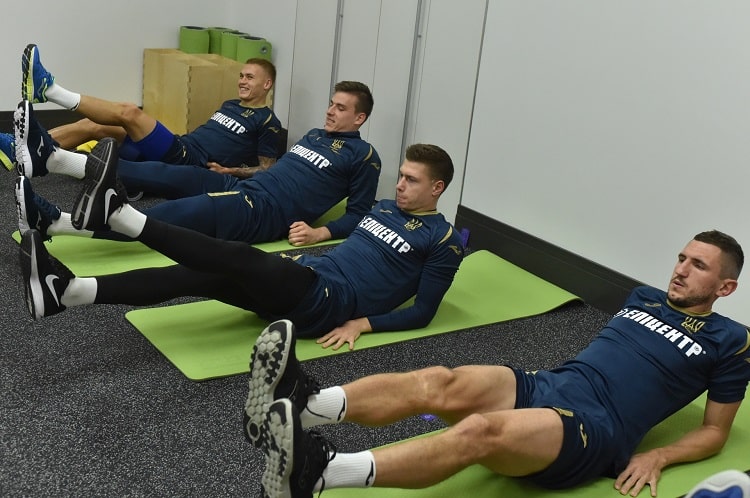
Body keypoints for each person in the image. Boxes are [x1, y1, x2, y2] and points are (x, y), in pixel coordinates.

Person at [242, 230, 750, 498]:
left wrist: (658, 457)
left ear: (725, 287)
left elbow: (714, 432)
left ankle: (320, 475)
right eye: (681, 258)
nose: (680, 270)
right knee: (439, 381)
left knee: (480, 431)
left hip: (595, 428)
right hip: (551, 384)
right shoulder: (643, 296)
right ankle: (301, 407)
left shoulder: (732, 341)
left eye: (697, 266)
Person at [19, 139, 463, 350]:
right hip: (306, 279)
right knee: (194, 276)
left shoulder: (442, 240)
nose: (399, 185)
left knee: (236, 255)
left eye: (411, 180)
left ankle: (122, 216)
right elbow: (356, 251)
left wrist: (361, 324)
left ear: (437, 188)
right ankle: (68, 293)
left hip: (328, 302)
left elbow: (423, 311)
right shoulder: (384, 207)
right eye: (400, 176)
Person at [14, 77, 380, 246]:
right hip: (242, 184)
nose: (330, 111)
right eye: (331, 104)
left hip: (262, 210)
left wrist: (319, 233)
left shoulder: (364, 157)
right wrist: (234, 171)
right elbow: (281, 170)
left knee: (166, 216)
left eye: (340, 108)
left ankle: (55, 224)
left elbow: (359, 213)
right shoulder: (316, 135)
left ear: (360, 118)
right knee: (160, 173)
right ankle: (54, 159)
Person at [19, 43, 282, 176]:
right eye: (241, 76)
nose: (242, 81)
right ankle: (23, 150)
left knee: (130, 112)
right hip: (181, 144)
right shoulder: (230, 105)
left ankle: (50, 91)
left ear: (267, 84)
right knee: (93, 125)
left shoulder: (268, 122)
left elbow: (267, 169)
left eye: (249, 78)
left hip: (189, 161)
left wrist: (231, 171)